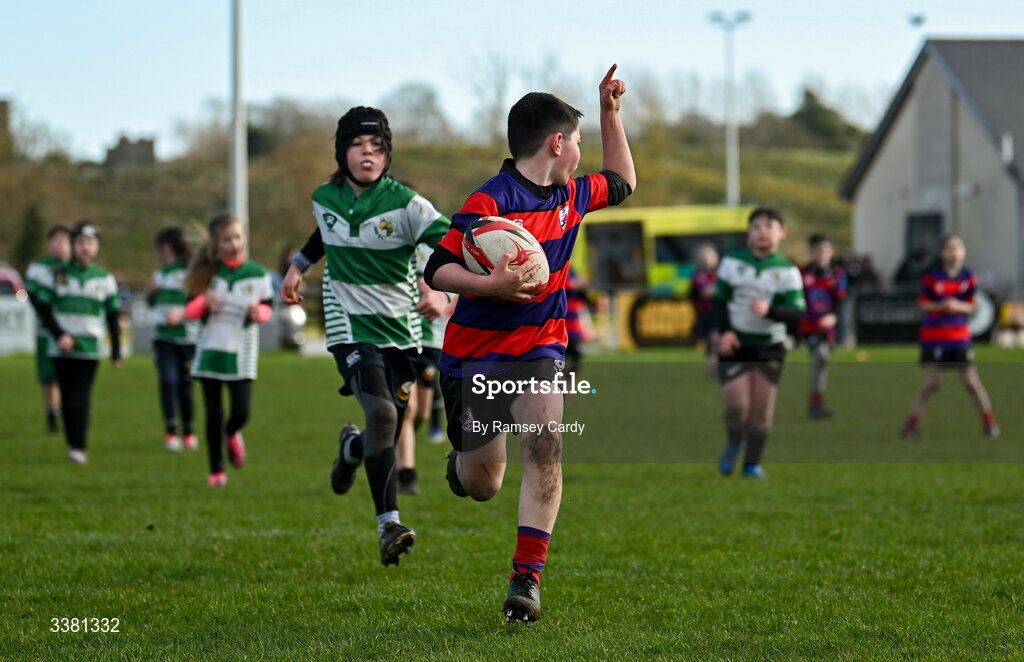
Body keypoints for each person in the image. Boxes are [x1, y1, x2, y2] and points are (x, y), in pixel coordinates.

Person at [424, 64, 636, 624]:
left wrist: (611, 114)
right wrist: (491, 284)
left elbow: (623, 181)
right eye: (581, 139)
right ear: (557, 142)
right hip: (475, 356)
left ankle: (526, 579)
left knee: (545, 447)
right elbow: (438, 267)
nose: (583, 153)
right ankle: (461, 464)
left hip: (542, 349)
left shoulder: (571, 196)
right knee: (483, 484)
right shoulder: (488, 202)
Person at [279, 106, 450, 565]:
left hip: (401, 329)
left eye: (377, 147)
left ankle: (350, 450)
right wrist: (299, 265)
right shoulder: (324, 196)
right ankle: (387, 523)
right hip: (348, 326)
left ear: (387, 155)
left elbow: (449, 242)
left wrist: (440, 291)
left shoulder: (408, 205)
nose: (367, 154)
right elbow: (327, 229)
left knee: (383, 430)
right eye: (357, 145)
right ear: (342, 152)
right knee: (382, 414)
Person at [714, 207, 805, 480]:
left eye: (769, 226)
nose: (762, 232)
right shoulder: (732, 262)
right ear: (748, 234)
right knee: (737, 407)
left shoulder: (788, 271)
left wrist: (770, 310)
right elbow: (719, 301)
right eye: (756, 227)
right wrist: (726, 332)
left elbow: (797, 313)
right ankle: (733, 443)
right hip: (737, 344)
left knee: (762, 410)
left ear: (782, 233)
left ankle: (752, 465)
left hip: (770, 347)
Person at [186, 213, 274, 487]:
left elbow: (268, 307)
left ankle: (232, 433)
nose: (234, 244)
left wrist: (259, 312)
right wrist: (204, 303)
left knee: (241, 412)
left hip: (241, 353)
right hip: (211, 351)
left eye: (237, 237)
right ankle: (216, 470)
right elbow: (190, 310)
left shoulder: (258, 274)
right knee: (213, 413)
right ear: (215, 244)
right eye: (227, 239)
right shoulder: (206, 275)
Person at [32, 221, 121, 464]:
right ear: (72, 245)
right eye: (81, 242)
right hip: (61, 348)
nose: (86, 248)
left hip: (90, 348)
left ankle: (80, 445)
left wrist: (116, 351)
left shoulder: (105, 279)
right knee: (67, 395)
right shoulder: (57, 275)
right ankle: (72, 443)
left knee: (81, 395)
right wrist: (59, 334)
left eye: (91, 243)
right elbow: (44, 308)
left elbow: (113, 317)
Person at [900, 235, 999, 439]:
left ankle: (990, 422)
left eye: (958, 248)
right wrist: (941, 306)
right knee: (934, 382)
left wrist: (957, 306)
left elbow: (972, 305)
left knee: (972, 382)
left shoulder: (968, 277)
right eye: (949, 248)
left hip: (959, 338)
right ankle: (911, 424)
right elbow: (923, 303)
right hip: (935, 337)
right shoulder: (932, 278)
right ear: (941, 253)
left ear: (963, 252)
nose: (954, 252)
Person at [396, 243, 451, 495]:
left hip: (431, 341)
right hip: (404, 338)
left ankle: (396, 442)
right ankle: (406, 474)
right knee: (410, 409)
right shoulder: (399, 247)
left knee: (423, 413)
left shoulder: (437, 248)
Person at [145, 227, 198, 452]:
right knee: (167, 382)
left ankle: (188, 431)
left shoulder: (190, 273)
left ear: (165, 248)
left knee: (185, 387)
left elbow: (201, 302)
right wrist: (151, 292)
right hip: (163, 338)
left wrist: (183, 314)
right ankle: (170, 432)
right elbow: (150, 302)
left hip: (188, 339)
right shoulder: (159, 275)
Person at [25, 223, 71, 434]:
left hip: (71, 331)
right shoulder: (38, 268)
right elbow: (34, 299)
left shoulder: (75, 268)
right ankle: (51, 416)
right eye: (58, 240)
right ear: (48, 243)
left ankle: (68, 414)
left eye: (66, 241)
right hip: (46, 331)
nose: (62, 246)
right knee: (48, 376)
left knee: (68, 375)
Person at [798, 234, 846, 419]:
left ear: (831, 252)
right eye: (818, 250)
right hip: (807, 327)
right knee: (821, 356)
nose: (822, 254)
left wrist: (833, 316)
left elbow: (840, 300)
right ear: (811, 252)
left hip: (827, 328)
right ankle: (816, 402)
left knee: (822, 361)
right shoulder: (802, 273)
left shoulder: (837, 274)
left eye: (825, 250)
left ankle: (816, 402)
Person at [690, 244, 720, 378]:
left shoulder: (722, 273)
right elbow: (697, 293)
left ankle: (721, 369)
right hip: (705, 314)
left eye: (709, 256)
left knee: (717, 340)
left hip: (719, 313)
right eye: (704, 257)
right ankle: (713, 371)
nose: (707, 260)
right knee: (710, 343)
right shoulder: (698, 275)